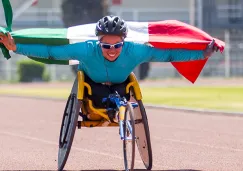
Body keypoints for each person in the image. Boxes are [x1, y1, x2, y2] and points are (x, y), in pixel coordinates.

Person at [0, 15, 217, 120]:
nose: (112, 50)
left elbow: (169, 53)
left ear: (125, 42)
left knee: (122, 90)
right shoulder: (85, 49)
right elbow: (50, 52)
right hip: (92, 85)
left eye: (117, 45)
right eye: (106, 45)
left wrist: (202, 53)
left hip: (122, 84)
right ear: (98, 42)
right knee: (98, 92)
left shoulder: (136, 50)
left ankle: (118, 107)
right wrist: (16, 47)